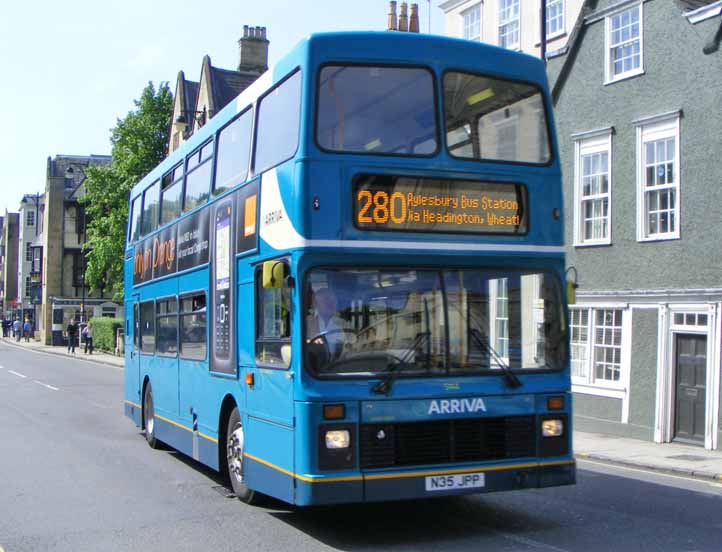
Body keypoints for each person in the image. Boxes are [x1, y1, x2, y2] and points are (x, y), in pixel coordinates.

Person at [306, 287, 350, 357]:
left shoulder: (344, 324)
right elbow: (297, 342)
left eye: (333, 300)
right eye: (326, 300)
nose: (330, 303)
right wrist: (311, 343)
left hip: (339, 364)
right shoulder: (307, 322)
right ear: (316, 304)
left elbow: (353, 344)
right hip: (312, 364)